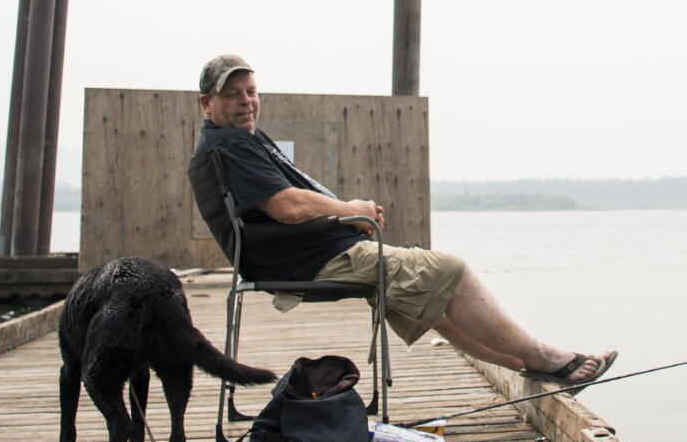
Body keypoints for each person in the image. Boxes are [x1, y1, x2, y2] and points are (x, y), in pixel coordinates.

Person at [193, 54, 617, 386]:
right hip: (305, 262)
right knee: (450, 270)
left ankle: (532, 366)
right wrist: (348, 211)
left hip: (302, 253)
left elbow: (283, 206)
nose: (246, 102)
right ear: (207, 103)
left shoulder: (236, 140)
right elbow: (286, 207)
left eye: (251, 91)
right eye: (233, 95)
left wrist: (345, 219)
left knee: (432, 303)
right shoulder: (230, 144)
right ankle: (548, 359)